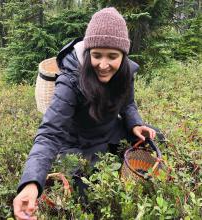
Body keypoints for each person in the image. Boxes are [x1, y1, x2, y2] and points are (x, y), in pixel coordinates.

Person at [13, 7, 157, 220]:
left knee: (154, 137)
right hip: (77, 144)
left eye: (113, 56)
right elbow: (49, 133)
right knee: (89, 194)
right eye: (97, 55)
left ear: (123, 55)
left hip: (111, 131)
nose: (104, 64)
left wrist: (135, 123)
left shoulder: (126, 71)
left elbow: (128, 103)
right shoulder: (70, 80)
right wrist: (31, 183)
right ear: (88, 52)